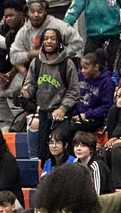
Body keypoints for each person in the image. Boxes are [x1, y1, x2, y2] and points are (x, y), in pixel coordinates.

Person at [21, 27, 80, 164]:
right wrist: (26, 91)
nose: (49, 41)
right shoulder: (36, 63)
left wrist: (63, 108)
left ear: (59, 42)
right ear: (41, 42)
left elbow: (74, 91)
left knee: (59, 148)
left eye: (53, 38)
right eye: (46, 38)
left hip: (61, 115)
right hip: (43, 112)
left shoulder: (67, 64)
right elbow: (31, 85)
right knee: (44, 153)